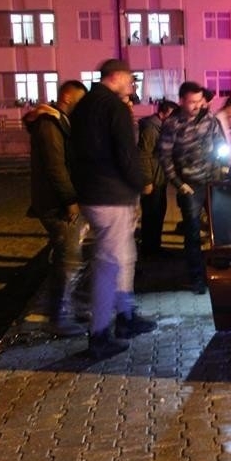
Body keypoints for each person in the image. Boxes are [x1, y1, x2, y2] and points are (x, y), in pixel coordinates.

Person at [70, 58, 157, 360]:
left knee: (124, 257)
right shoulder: (114, 108)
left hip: (93, 193)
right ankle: (100, 334)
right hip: (111, 195)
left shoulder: (83, 106)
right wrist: (140, 184)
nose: (132, 86)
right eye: (131, 80)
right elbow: (126, 154)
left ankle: (126, 316)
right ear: (117, 77)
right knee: (109, 265)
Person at [24, 80, 89, 337]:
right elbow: (56, 167)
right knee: (68, 259)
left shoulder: (59, 121)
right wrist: (70, 201)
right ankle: (59, 317)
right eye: (80, 102)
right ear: (68, 97)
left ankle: (72, 308)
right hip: (56, 204)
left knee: (73, 257)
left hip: (59, 201)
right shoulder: (50, 124)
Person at [157, 81, 227, 295]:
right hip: (190, 187)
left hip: (212, 181)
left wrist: (224, 166)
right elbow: (164, 156)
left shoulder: (210, 120)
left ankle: (221, 270)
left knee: (220, 227)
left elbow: (220, 143)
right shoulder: (172, 124)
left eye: (199, 101)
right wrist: (178, 184)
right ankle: (197, 277)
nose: (197, 106)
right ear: (181, 101)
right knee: (193, 232)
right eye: (192, 102)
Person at [138, 99, 179, 256]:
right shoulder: (151, 128)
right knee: (151, 215)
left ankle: (154, 247)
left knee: (158, 212)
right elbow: (143, 155)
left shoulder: (159, 128)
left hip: (159, 178)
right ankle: (150, 250)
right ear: (164, 113)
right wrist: (147, 181)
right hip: (153, 180)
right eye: (172, 115)